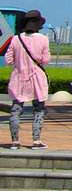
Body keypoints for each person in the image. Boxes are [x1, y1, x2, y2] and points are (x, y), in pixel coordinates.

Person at [5, 10, 50, 150]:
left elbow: (8, 60)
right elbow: (45, 60)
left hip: (18, 79)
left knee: (16, 110)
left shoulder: (16, 39)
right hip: (37, 79)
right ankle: (36, 141)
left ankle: (15, 141)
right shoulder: (43, 39)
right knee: (38, 109)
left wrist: (20, 63)